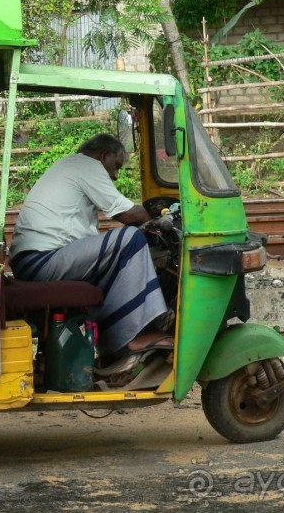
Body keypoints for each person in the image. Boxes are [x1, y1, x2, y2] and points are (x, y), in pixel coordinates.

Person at [9, 133, 172, 383]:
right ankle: (136, 336)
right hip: (42, 260)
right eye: (116, 165)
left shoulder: (68, 166)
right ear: (103, 155)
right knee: (130, 238)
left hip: (35, 260)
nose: (116, 175)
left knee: (116, 255)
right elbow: (128, 214)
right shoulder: (85, 165)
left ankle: (116, 343)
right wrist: (169, 211)